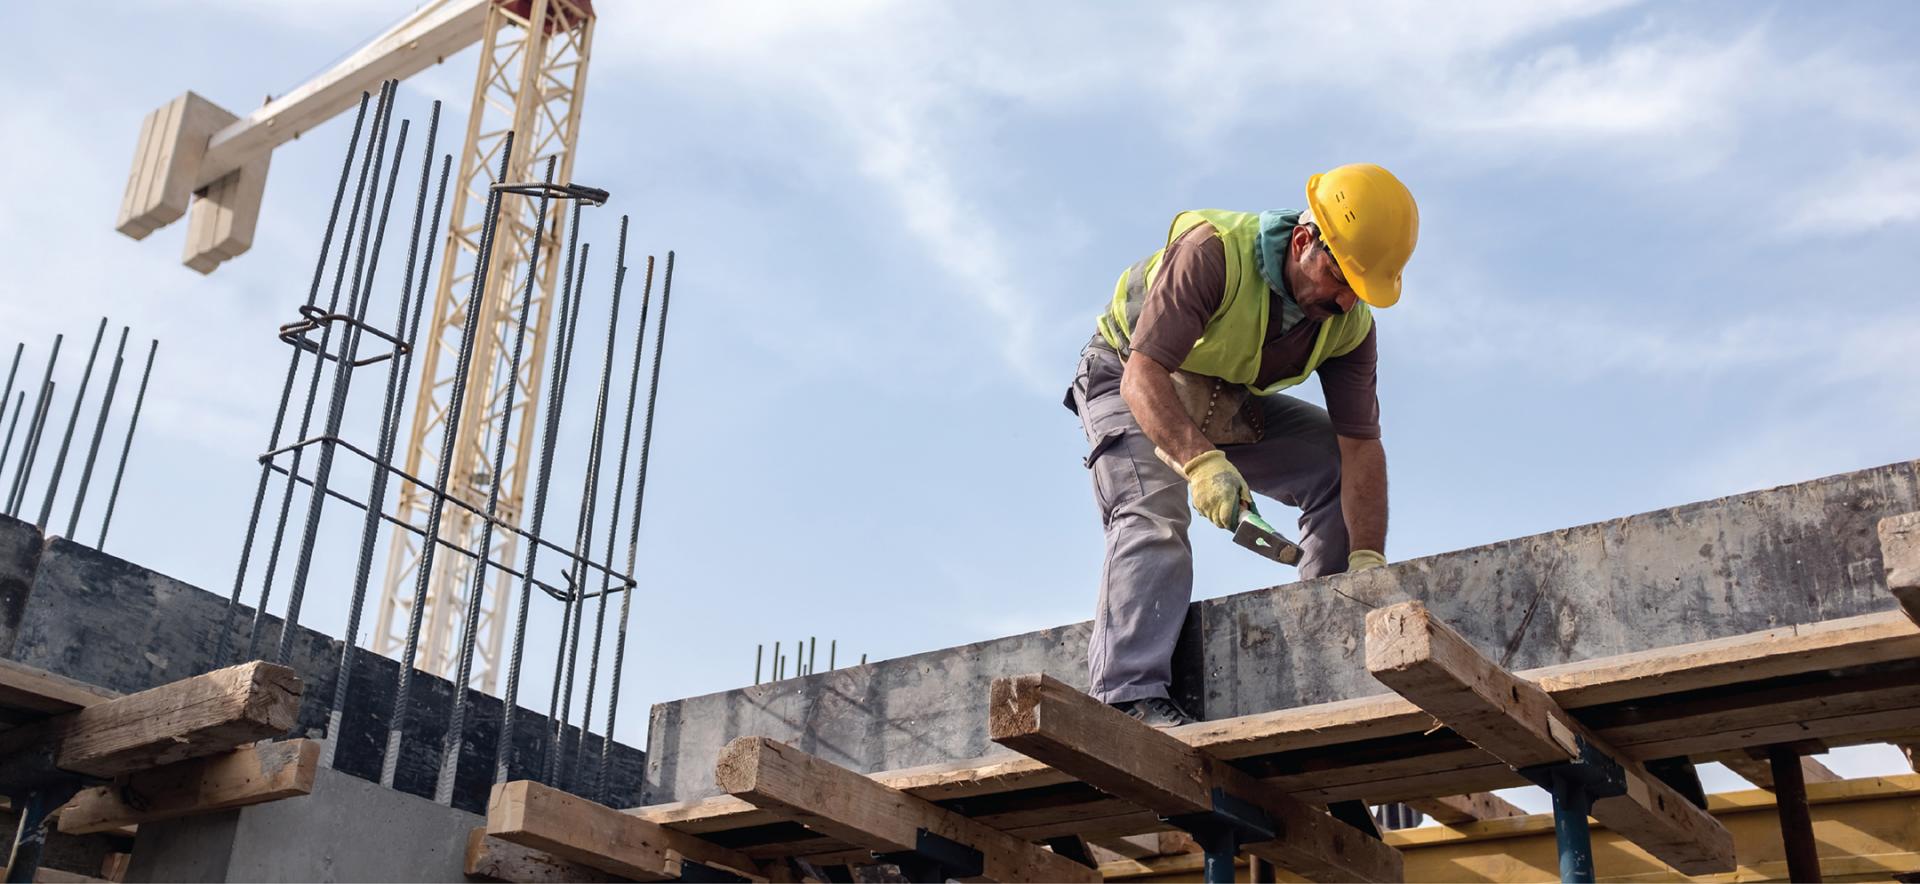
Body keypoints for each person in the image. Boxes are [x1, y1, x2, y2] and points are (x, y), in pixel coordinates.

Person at [1064, 163, 1419, 727]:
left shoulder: (1349, 328)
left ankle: (1332, 645)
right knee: (1152, 513)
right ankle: (1128, 698)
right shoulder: (1213, 253)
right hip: (1126, 374)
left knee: (1329, 464)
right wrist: (1201, 462)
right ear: (1304, 241)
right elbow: (1143, 376)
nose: (1350, 301)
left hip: (1219, 395)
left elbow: (1360, 448)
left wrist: (1368, 560)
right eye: (1343, 280)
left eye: (1362, 290)